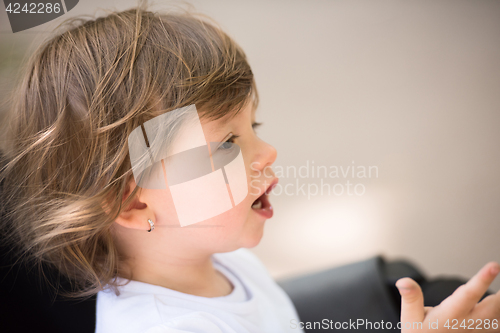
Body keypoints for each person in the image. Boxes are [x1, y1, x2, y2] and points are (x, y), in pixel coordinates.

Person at [0, 2, 498, 333]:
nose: (268, 152)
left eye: (253, 126)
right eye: (226, 146)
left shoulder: (217, 256)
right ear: (132, 201)